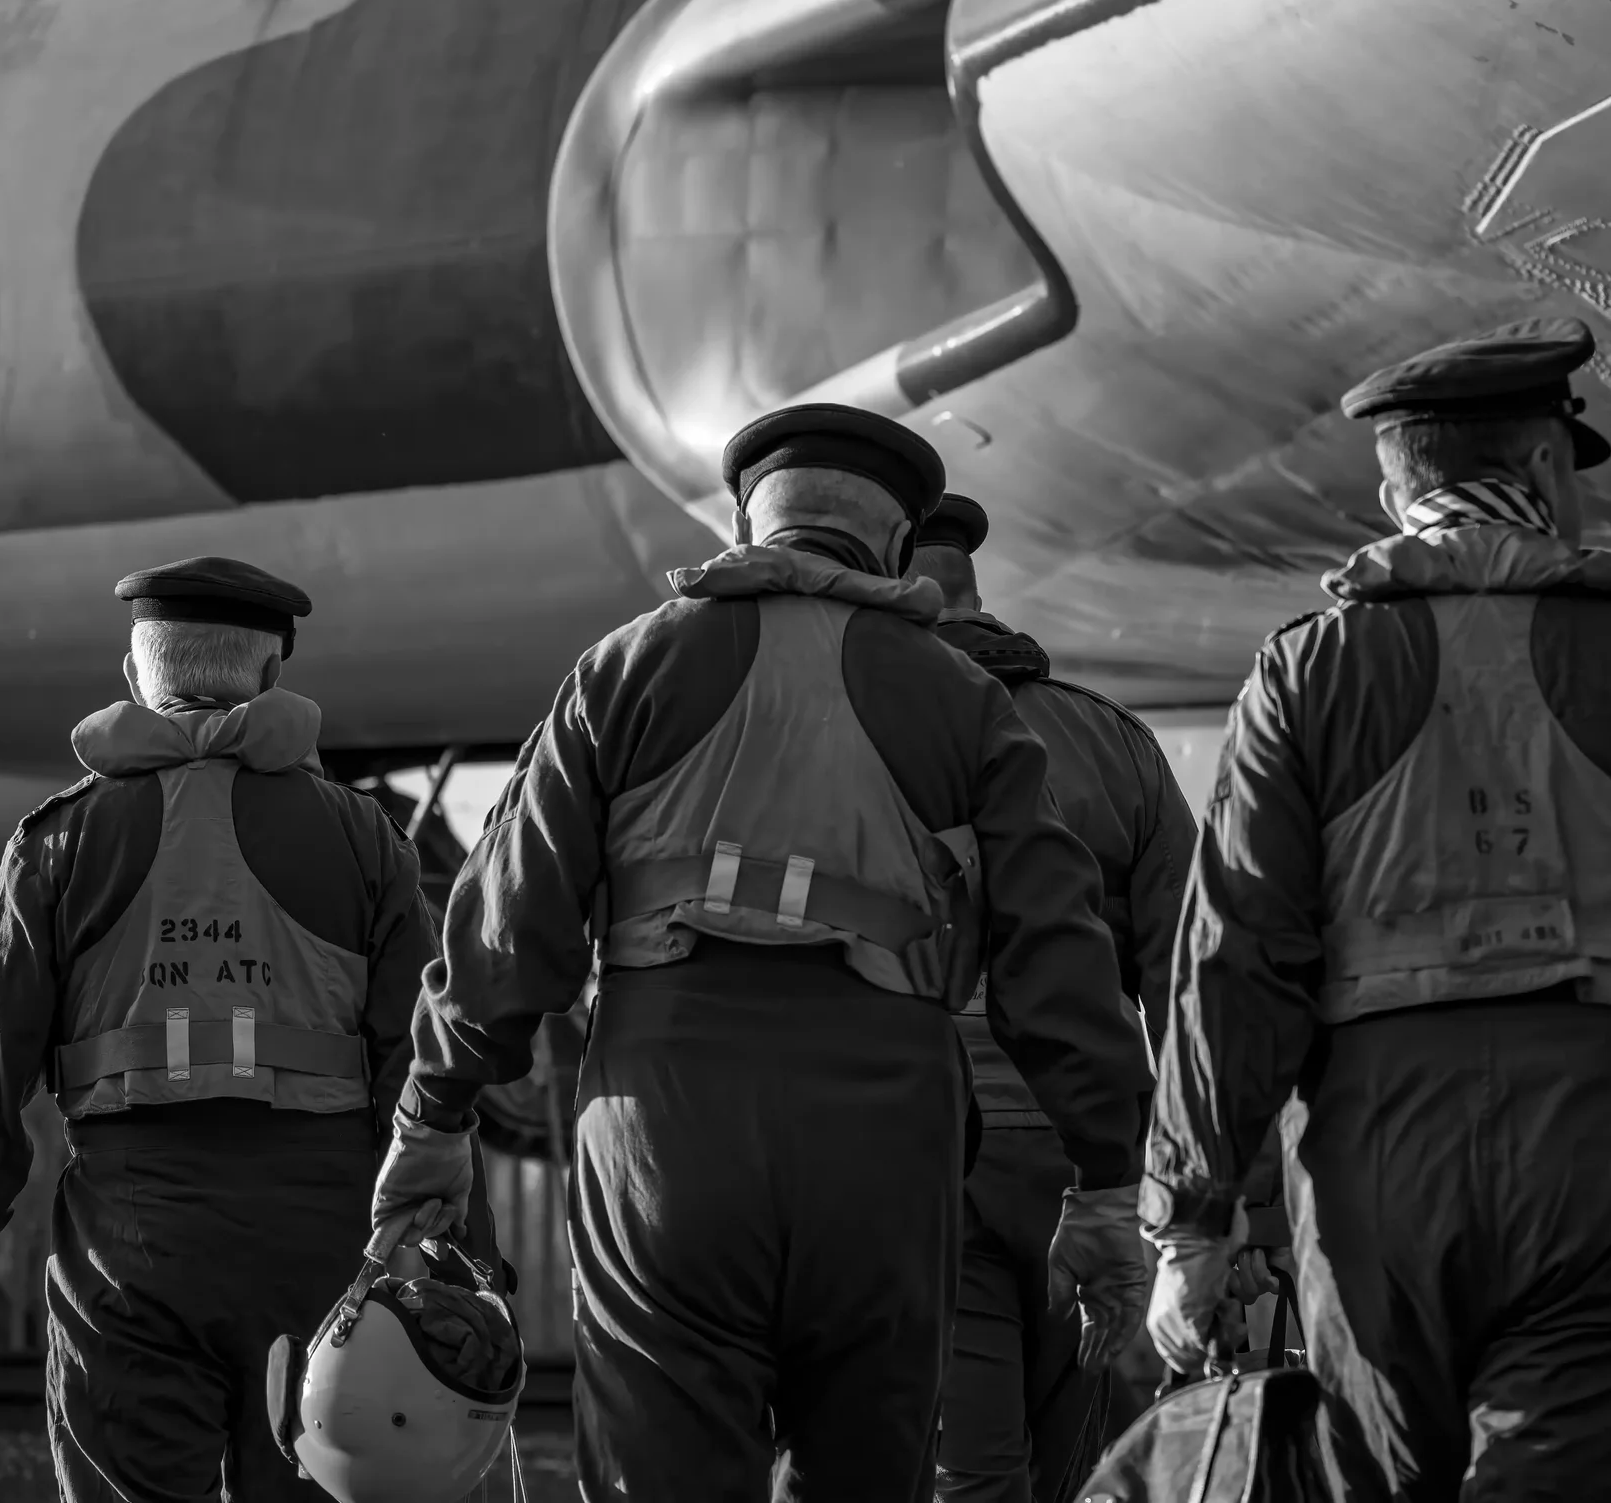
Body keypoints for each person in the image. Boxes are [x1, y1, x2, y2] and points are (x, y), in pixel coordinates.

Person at [1141, 322, 1611, 1502]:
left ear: (1397, 485)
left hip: (1377, 1159)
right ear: (1544, 469)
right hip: (1606, 1146)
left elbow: (1234, 954)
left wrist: (1193, 1217)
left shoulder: (1306, 670)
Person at [374, 406, 1153, 1500]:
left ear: (747, 522)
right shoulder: (966, 702)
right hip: (886, 1139)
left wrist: (434, 1115)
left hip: (665, 1132)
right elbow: (1058, 961)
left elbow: (507, 925)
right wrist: (1109, 1184)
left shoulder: (624, 668)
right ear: (892, 544)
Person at [0, 557, 445, 1501]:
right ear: (274, 678)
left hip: (130, 1251)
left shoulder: (60, 842)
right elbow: (428, 1068)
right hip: (324, 1252)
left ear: (133, 676)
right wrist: (447, 1260)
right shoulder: (365, 840)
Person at [910, 492, 1195, 1503]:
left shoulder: (872, 722)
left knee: (966, 1467)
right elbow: (1184, 982)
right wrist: (1189, 1188)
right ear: (975, 585)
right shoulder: (1115, 739)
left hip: (930, 1143)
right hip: (1092, 1154)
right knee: (1080, 1453)